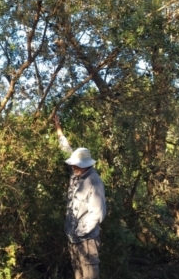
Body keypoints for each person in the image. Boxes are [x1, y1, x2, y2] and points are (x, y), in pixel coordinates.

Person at [53, 114, 106, 279]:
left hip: (87, 241)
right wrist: (58, 129)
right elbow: (66, 149)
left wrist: (79, 232)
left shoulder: (94, 182)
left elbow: (97, 214)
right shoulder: (76, 172)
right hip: (73, 240)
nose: (73, 166)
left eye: (76, 164)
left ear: (85, 165)